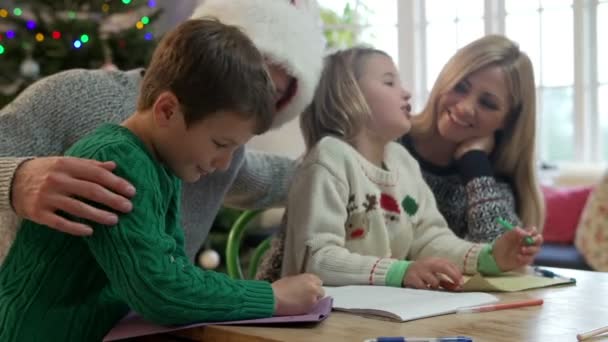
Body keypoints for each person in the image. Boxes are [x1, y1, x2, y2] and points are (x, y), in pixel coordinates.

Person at [0, 19, 324, 342]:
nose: (225, 163)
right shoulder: (116, 161)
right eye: (220, 144)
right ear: (167, 110)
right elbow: (161, 290)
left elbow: (173, 269)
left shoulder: (162, 166)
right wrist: (273, 297)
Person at [261, 46, 542, 289]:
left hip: (376, 314)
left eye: (487, 102)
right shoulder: (329, 158)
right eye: (389, 82)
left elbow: (428, 237)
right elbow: (318, 259)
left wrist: (489, 256)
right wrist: (401, 271)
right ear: (349, 94)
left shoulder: (402, 163)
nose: (406, 92)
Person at [399, 35, 544, 243]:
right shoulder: (389, 139)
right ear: (446, 80)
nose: (465, 108)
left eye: (487, 103)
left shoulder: (494, 181)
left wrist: (474, 161)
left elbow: (502, 254)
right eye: (460, 87)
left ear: (508, 120)